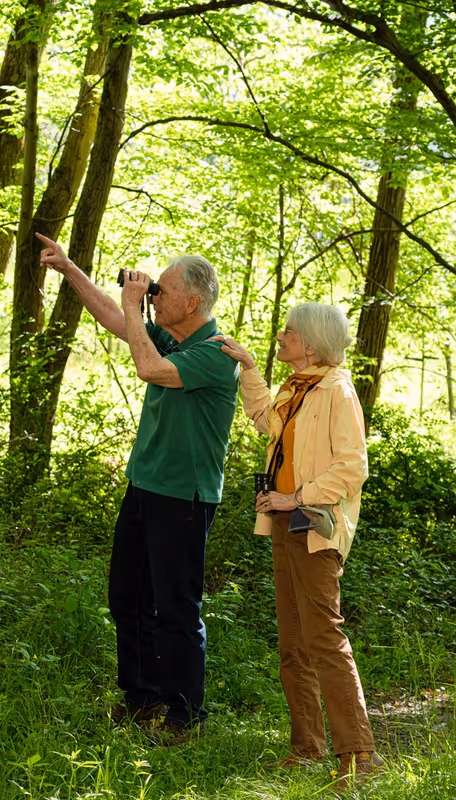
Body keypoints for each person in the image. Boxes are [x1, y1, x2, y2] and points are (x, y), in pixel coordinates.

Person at [35, 232, 239, 745]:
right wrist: (70, 268)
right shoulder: (173, 336)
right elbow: (114, 318)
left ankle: (185, 717)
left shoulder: (215, 353)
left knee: (176, 609)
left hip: (185, 497)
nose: (153, 297)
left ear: (192, 302)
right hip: (145, 487)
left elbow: (147, 367)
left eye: (162, 291)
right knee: (127, 598)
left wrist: (132, 302)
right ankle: (142, 700)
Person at [213, 304, 384, 788]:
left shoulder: (337, 389)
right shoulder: (295, 386)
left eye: (289, 330)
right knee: (293, 643)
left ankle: (359, 753)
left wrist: (297, 496)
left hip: (314, 521)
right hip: (283, 522)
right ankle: (306, 749)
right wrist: (249, 368)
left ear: (311, 343)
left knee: (324, 639)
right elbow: (266, 420)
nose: (281, 335)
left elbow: (353, 468)